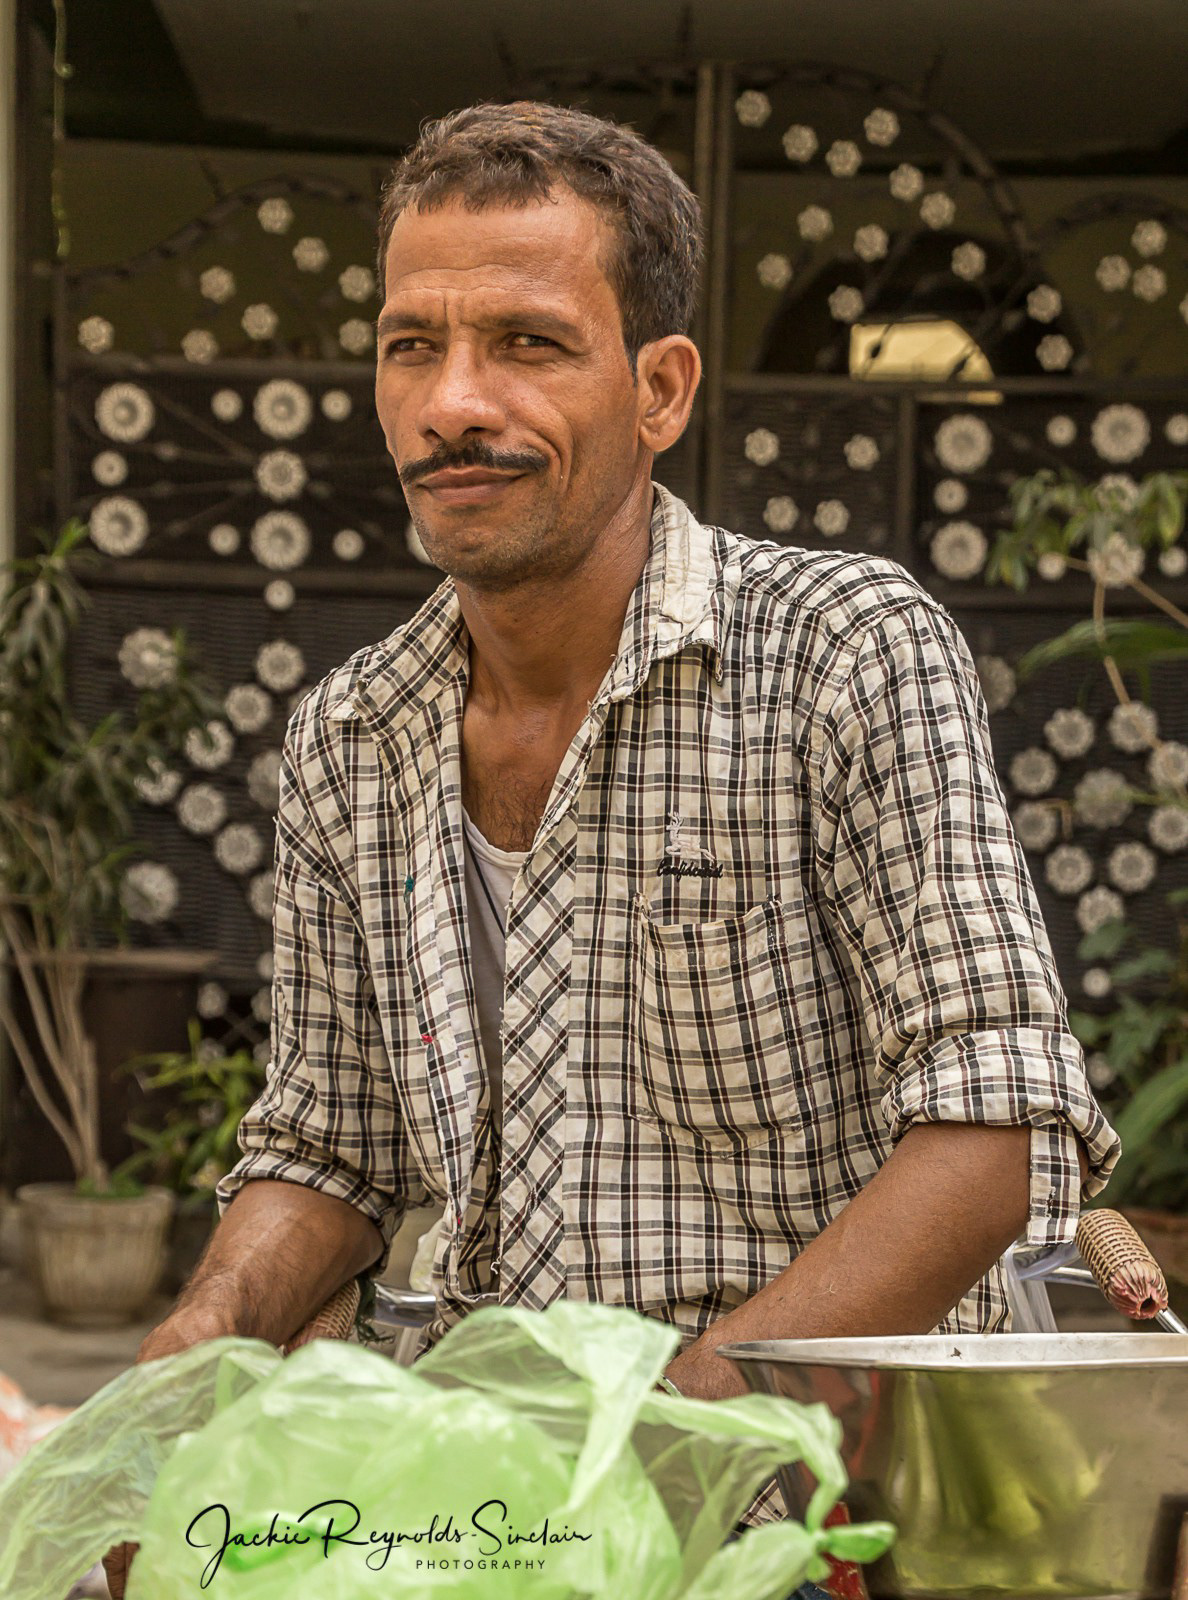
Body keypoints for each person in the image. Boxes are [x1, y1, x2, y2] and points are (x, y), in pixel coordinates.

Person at [105, 99, 1120, 1597]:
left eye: (526, 343)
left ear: (658, 389)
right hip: (482, 1507)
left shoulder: (843, 655)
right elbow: (332, 1146)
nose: (455, 403)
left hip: (826, 1498)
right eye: (410, 346)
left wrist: (668, 1443)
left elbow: (991, 1132)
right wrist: (203, 1343)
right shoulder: (348, 740)